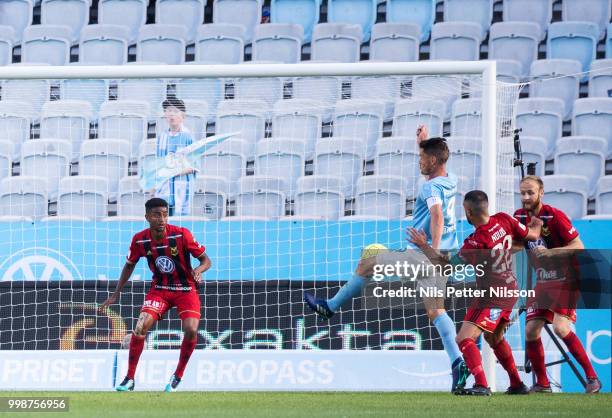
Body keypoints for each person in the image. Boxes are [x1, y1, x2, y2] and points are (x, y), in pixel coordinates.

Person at [305, 125, 471, 393]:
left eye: (421, 159)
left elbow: (438, 216)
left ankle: (330, 307)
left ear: (433, 161)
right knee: (436, 311)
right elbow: (436, 161)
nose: (418, 162)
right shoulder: (451, 179)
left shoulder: (430, 189)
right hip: (444, 259)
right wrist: (423, 143)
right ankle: (458, 363)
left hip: (423, 256)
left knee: (368, 259)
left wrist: (431, 250)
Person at [409, 190, 542, 395]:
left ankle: (481, 385)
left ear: (469, 211)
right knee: (494, 338)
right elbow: (532, 235)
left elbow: (445, 267)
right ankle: (517, 384)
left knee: (464, 338)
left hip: (492, 295)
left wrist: (423, 246)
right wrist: (538, 223)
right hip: (510, 289)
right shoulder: (505, 220)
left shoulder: (477, 241)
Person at [101, 197, 211, 392]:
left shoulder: (182, 235)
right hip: (160, 289)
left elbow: (205, 260)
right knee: (141, 325)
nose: (162, 219)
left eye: (165, 214)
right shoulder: (140, 239)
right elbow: (129, 265)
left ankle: (177, 375)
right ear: (147, 217)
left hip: (186, 289)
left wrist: (198, 271)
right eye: (157, 215)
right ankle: (129, 378)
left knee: (191, 329)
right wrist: (116, 293)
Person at [515, 175, 601, 393]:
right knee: (531, 330)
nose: (525, 197)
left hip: (566, 278)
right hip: (543, 280)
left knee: (562, 327)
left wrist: (550, 253)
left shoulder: (554, 216)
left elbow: (579, 246)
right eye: (522, 193)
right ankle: (543, 384)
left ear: (541, 193)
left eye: (530, 192)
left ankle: (592, 378)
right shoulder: (518, 216)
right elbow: (516, 245)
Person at [155, 96, 196, 216]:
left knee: (179, 224)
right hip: (164, 186)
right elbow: (159, 162)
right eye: (168, 111)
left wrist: (175, 172)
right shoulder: (161, 137)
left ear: (183, 115)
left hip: (182, 186)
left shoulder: (188, 137)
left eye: (175, 111)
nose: (171, 114)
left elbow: (194, 166)